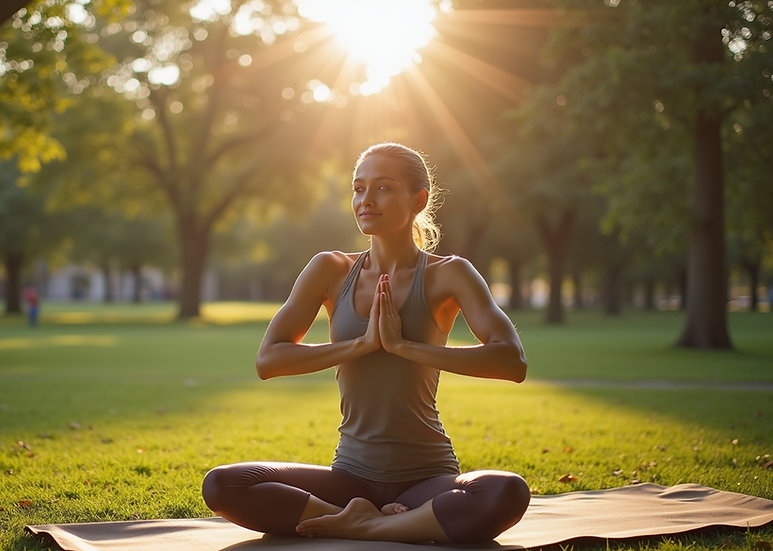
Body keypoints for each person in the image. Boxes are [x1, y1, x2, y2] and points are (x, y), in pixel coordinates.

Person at [201, 143, 530, 544]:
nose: (365, 200)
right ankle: (382, 521)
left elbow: (512, 361)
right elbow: (269, 360)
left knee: (505, 491)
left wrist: (404, 346)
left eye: (383, 188)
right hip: (350, 477)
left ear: (418, 199)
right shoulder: (330, 268)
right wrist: (362, 344)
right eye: (359, 188)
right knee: (222, 485)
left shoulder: (450, 274)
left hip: (428, 477)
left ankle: (362, 523)